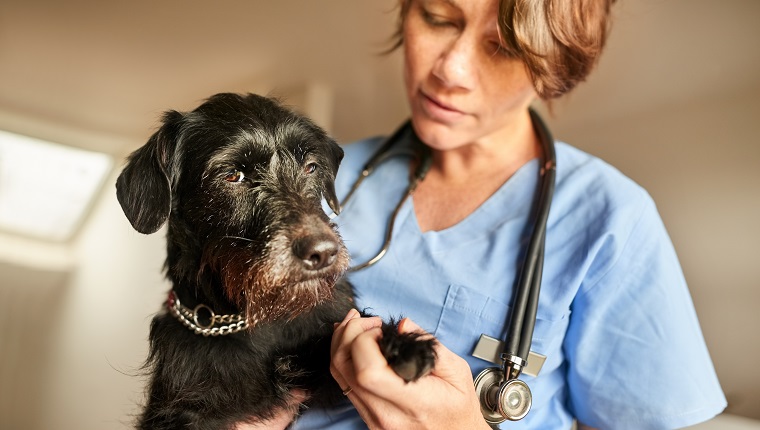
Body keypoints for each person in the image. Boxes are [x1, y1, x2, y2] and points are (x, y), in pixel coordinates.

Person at [289, 0, 728, 428]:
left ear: (556, 63)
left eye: (502, 46)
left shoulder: (611, 220)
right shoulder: (317, 179)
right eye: (438, 18)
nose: (450, 70)